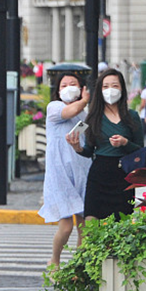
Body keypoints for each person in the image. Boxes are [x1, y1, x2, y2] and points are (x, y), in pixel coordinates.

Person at [66, 69, 144, 222]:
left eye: (115, 86)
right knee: (91, 221)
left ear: (122, 88)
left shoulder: (132, 116)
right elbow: (89, 150)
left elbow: (140, 150)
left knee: (121, 224)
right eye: (105, 86)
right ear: (100, 91)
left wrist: (125, 143)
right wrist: (77, 148)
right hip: (99, 173)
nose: (110, 91)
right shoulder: (93, 117)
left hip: (123, 174)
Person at [39, 73, 91, 266]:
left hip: (81, 172)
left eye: (73, 84)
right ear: (58, 90)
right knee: (66, 225)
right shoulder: (55, 107)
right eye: (64, 85)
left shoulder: (84, 115)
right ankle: (55, 260)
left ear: (81, 88)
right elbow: (69, 112)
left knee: (84, 226)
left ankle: (79, 266)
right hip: (60, 175)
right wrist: (85, 100)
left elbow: (84, 139)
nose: (68, 87)